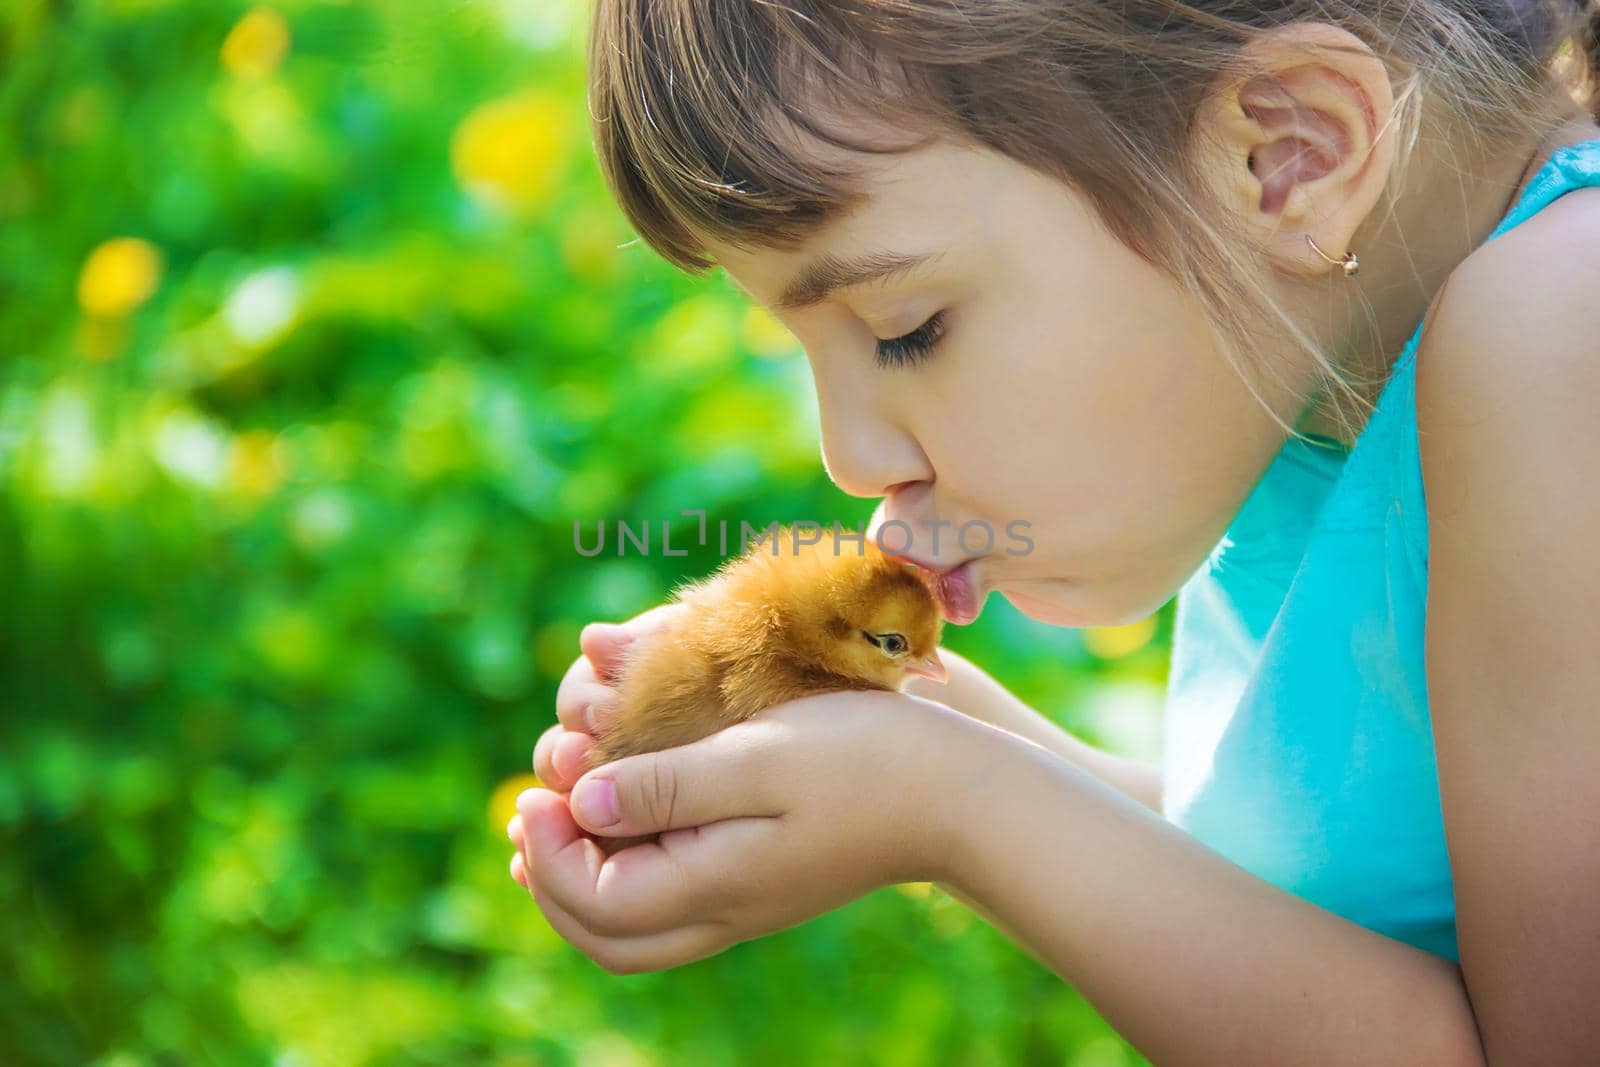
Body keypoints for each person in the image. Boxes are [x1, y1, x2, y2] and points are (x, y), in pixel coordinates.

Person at [509, 1, 1600, 1060]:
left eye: (905, 328)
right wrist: (950, 731)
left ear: (1288, 152)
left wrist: (952, 802)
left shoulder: (1562, 319)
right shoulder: (1301, 365)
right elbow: (1318, 886)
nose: (850, 457)